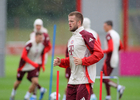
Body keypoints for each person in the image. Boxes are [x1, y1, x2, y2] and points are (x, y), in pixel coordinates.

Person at [53, 11, 104, 100]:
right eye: (69, 21)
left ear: (79, 22)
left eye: (72, 21)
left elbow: (99, 53)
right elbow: (72, 60)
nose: (69, 23)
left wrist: (83, 61)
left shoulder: (86, 35)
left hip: (84, 81)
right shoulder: (71, 39)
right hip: (72, 81)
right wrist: (61, 62)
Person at [10, 32, 48, 100]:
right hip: (24, 65)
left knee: (35, 82)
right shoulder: (30, 44)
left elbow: (43, 54)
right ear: (35, 37)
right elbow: (23, 56)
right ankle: (13, 94)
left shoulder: (42, 45)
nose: (41, 39)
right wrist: (32, 63)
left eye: (42, 38)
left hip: (33, 65)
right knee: (18, 81)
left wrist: (42, 64)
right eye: (40, 38)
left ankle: (27, 96)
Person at [102, 20, 125, 100]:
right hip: (115, 57)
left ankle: (118, 87)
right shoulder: (116, 34)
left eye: (105, 26)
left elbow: (110, 48)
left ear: (109, 26)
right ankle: (108, 96)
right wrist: (115, 52)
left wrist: (101, 51)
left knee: (103, 78)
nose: (103, 28)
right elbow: (121, 46)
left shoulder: (109, 35)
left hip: (109, 58)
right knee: (105, 77)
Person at [30, 19, 51, 100]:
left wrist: (41, 52)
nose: (38, 27)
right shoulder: (32, 34)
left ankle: (34, 95)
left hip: (40, 59)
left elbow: (48, 46)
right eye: (37, 25)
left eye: (39, 25)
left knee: (35, 76)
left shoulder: (45, 34)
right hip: (32, 58)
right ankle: (41, 90)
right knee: (31, 76)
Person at [83, 17, 102, 100]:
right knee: (90, 76)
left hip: (84, 58)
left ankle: (90, 96)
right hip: (93, 58)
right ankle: (92, 96)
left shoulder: (82, 33)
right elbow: (99, 47)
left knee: (83, 78)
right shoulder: (95, 33)